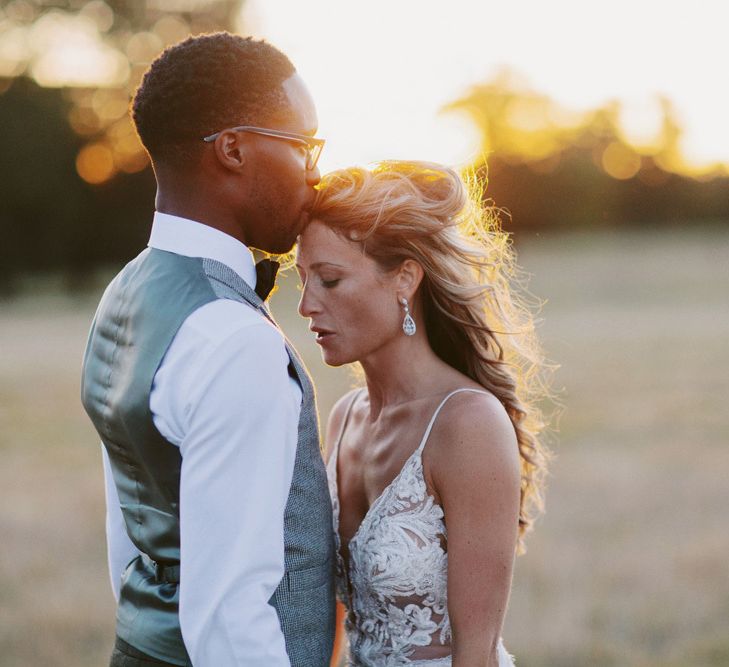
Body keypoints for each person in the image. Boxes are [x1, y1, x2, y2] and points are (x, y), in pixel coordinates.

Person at [80, 33, 335, 667]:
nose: (316, 172)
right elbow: (231, 616)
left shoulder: (126, 293)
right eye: (305, 146)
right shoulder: (232, 338)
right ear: (233, 149)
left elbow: (134, 530)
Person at [295, 161, 551, 666]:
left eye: (329, 279)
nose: (306, 305)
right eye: (302, 279)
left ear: (405, 278)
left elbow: (475, 653)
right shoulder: (344, 416)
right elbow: (336, 625)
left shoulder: (468, 425)